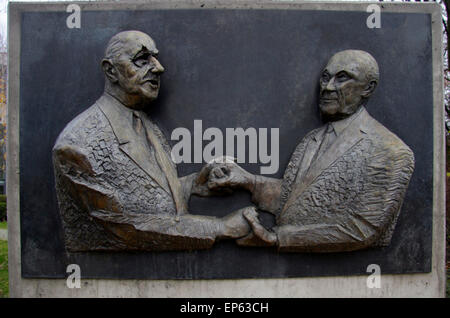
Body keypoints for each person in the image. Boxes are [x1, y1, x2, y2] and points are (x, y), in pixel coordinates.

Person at [53, 30, 252, 252]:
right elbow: (121, 227)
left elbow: (149, 194)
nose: (158, 68)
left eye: (155, 58)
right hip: (119, 276)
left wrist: (196, 184)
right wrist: (220, 227)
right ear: (111, 71)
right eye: (142, 59)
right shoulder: (78, 144)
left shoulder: (146, 125)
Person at [206, 50, 415, 253]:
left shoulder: (390, 151)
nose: (328, 87)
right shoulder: (312, 139)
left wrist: (278, 238)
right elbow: (299, 199)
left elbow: (362, 229)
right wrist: (248, 181)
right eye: (325, 78)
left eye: (342, 78)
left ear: (368, 88)